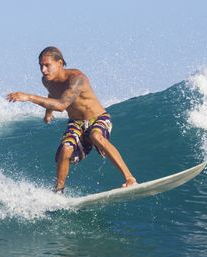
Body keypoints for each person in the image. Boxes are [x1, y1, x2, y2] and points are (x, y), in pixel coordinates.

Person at [7, 46, 137, 193]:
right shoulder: (47, 81)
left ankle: (129, 178)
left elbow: (62, 105)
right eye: (41, 66)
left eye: (47, 65)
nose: (43, 70)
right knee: (66, 148)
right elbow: (52, 94)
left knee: (96, 135)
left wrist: (29, 97)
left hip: (98, 118)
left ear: (60, 63)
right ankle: (59, 191)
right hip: (76, 123)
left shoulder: (77, 79)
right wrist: (48, 113)